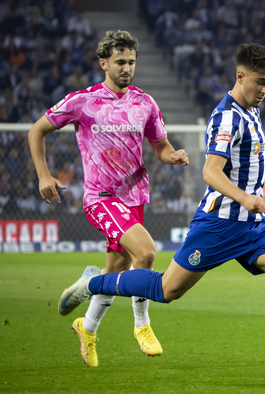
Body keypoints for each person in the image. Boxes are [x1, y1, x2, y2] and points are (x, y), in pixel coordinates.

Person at [57, 44, 265, 375]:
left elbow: (246, 147)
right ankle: (94, 283)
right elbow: (210, 170)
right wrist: (245, 197)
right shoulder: (226, 116)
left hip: (252, 228)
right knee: (167, 290)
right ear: (241, 76)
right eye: (260, 81)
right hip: (218, 225)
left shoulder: (250, 109)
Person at [29, 30, 189, 366]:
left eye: (131, 61)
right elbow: (36, 130)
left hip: (135, 197)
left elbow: (160, 145)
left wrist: (172, 156)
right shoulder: (82, 101)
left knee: (118, 272)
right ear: (104, 63)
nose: (127, 68)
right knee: (145, 253)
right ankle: (142, 324)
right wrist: (44, 174)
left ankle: (87, 328)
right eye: (120, 62)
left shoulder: (145, 103)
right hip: (100, 197)